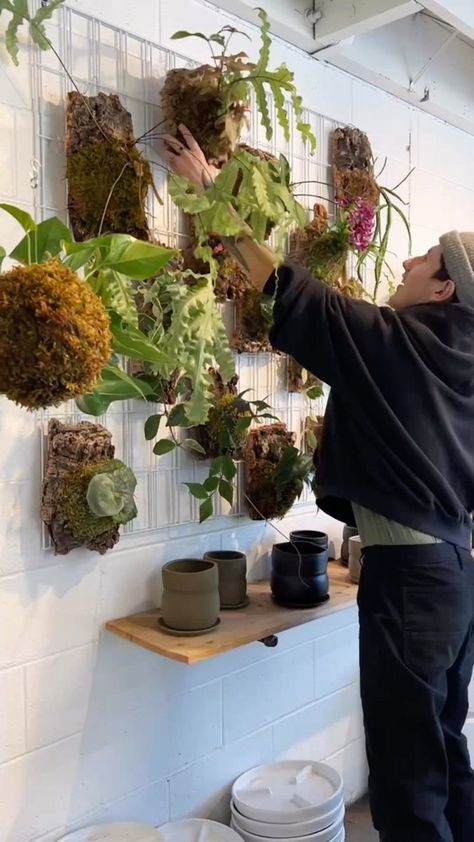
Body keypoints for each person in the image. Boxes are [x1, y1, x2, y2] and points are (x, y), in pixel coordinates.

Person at [165, 126, 474, 842]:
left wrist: (216, 199)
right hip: (453, 575)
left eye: (423, 256)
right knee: (446, 755)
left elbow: (296, 295)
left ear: (445, 287)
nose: (405, 258)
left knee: (406, 779)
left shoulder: (411, 343)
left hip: (413, 580)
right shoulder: (458, 359)